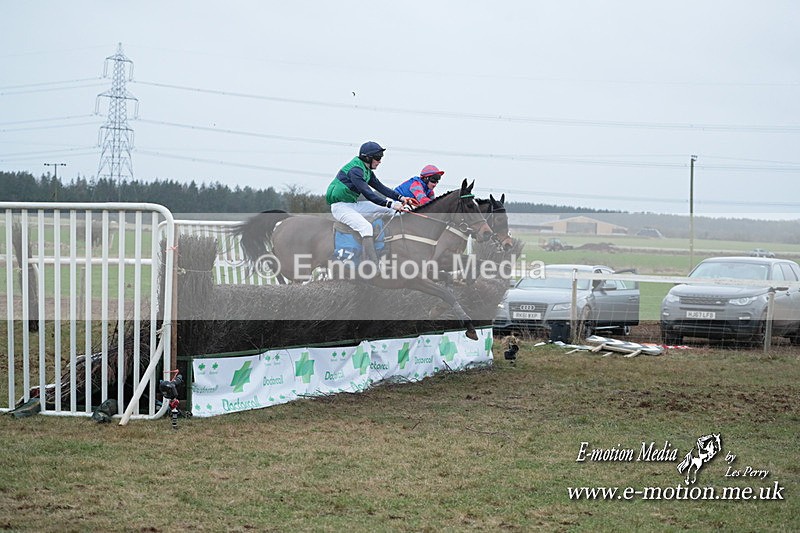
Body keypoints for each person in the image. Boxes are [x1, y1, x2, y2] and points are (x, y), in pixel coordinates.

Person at [325, 141, 417, 263]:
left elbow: (381, 187)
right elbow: (369, 194)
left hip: (353, 205)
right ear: (367, 157)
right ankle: (371, 263)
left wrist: (401, 198)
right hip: (340, 207)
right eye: (378, 158)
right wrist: (392, 204)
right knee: (366, 227)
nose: (380, 161)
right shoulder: (355, 170)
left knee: (391, 209)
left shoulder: (366, 170)